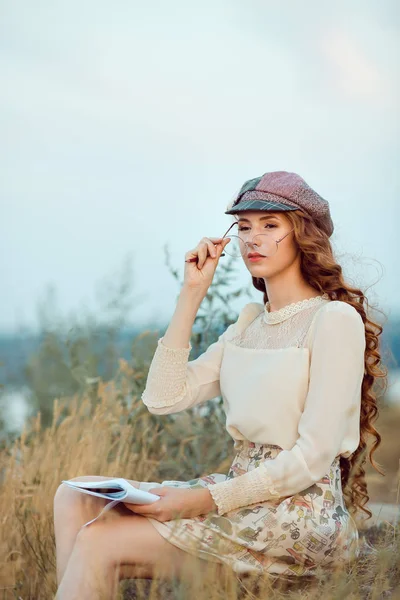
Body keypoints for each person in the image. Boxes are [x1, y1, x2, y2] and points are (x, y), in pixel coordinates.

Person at [53, 171, 387, 598]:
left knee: (101, 540)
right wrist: (192, 293)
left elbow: (311, 458)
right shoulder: (248, 323)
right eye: (244, 227)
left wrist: (201, 502)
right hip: (240, 494)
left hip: (299, 514)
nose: (253, 239)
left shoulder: (333, 320)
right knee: (73, 497)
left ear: (305, 235)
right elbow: (162, 398)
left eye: (270, 226)